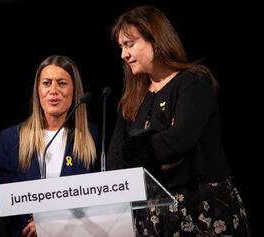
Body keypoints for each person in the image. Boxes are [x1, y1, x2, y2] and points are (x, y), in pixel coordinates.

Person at [107, 5, 251, 236]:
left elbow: (179, 140)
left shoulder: (194, 81)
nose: (123, 55)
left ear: (155, 39)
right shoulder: (132, 99)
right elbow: (116, 158)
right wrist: (148, 149)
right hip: (151, 213)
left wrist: (139, 150)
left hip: (200, 207)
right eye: (121, 47)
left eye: (129, 44)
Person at [0, 55, 99, 237]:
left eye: (61, 83)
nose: (53, 90)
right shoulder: (12, 139)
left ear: (74, 91)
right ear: (37, 91)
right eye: (46, 83)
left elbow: (100, 200)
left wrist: (51, 223)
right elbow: (6, 208)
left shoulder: (92, 136)